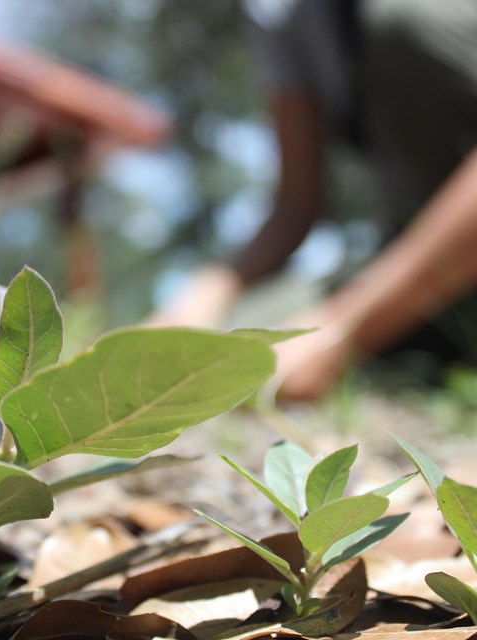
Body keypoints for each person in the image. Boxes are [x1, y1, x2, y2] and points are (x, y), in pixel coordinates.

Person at [149, 0, 477, 400]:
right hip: (410, 266)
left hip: (440, 265)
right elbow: (296, 205)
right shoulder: (286, 15)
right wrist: (205, 294)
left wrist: (342, 329)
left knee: (406, 19)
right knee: (228, 353)